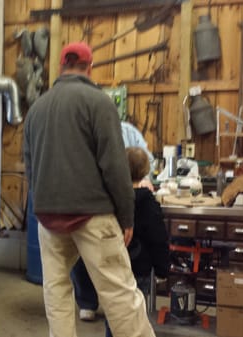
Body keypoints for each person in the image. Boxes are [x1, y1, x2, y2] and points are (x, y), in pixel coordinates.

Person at [23, 41, 156, 337]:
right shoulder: (98, 102)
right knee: (120, 294)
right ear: (89, 67)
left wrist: (42, 202)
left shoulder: (37, 109)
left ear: (61, 66)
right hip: (92, 214)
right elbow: (115, 166)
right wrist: (127, 217)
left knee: (56, 292)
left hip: (48, 218)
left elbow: (30, 167)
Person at [72, 147, 170, 337]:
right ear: (145, 171)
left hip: (114, 262)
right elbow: (158, 237)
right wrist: (162, 269)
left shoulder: (109, 199)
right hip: (140, 267)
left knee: (114, 310)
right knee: (135, 311)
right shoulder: (148, 202)